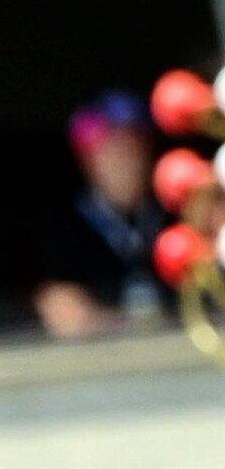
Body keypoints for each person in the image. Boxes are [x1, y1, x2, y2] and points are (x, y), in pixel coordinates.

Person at [37, 92, 166, 338]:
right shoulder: (64, 229)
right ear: (88, 161)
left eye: (132, 148)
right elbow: (59, 306)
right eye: (111, 151)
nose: (124, 161)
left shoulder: (179, 214)